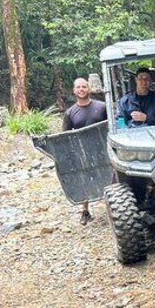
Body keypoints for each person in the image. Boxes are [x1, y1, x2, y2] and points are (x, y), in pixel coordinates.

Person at [62, 77, 107, 225]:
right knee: (83, 179)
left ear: (89, 89)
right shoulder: (70, 113)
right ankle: (85, 211)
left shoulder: (101, 107)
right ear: (74, 90)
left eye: (84, 87)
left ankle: (114, 206)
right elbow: (66, 136)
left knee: (110, 175)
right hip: (82, 151)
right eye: (78, 87)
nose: (81, 90)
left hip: (103, 147)